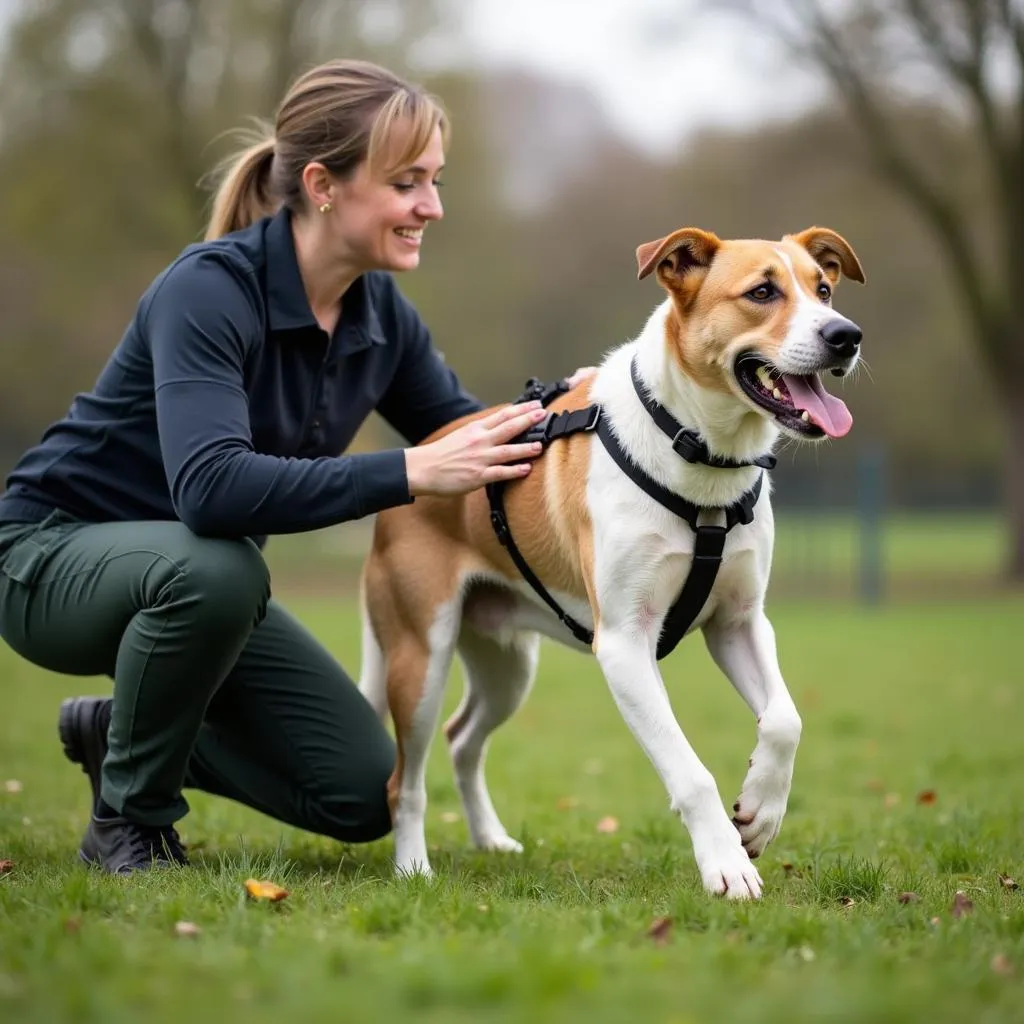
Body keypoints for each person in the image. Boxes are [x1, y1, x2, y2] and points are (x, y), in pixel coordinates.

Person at [0, 58, 590, 874]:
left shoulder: (381, 315)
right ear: (323, 185)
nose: (432, 206)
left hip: (194, 586)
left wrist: (617, 416)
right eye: (408, 182)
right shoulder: (208, 290)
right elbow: (210, 494)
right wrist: (408, 472)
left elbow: (479, 442)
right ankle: (129, 824)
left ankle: (117, 734)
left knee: (359, 793)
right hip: (48, 558)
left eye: (436, 180)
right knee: (219, 566)